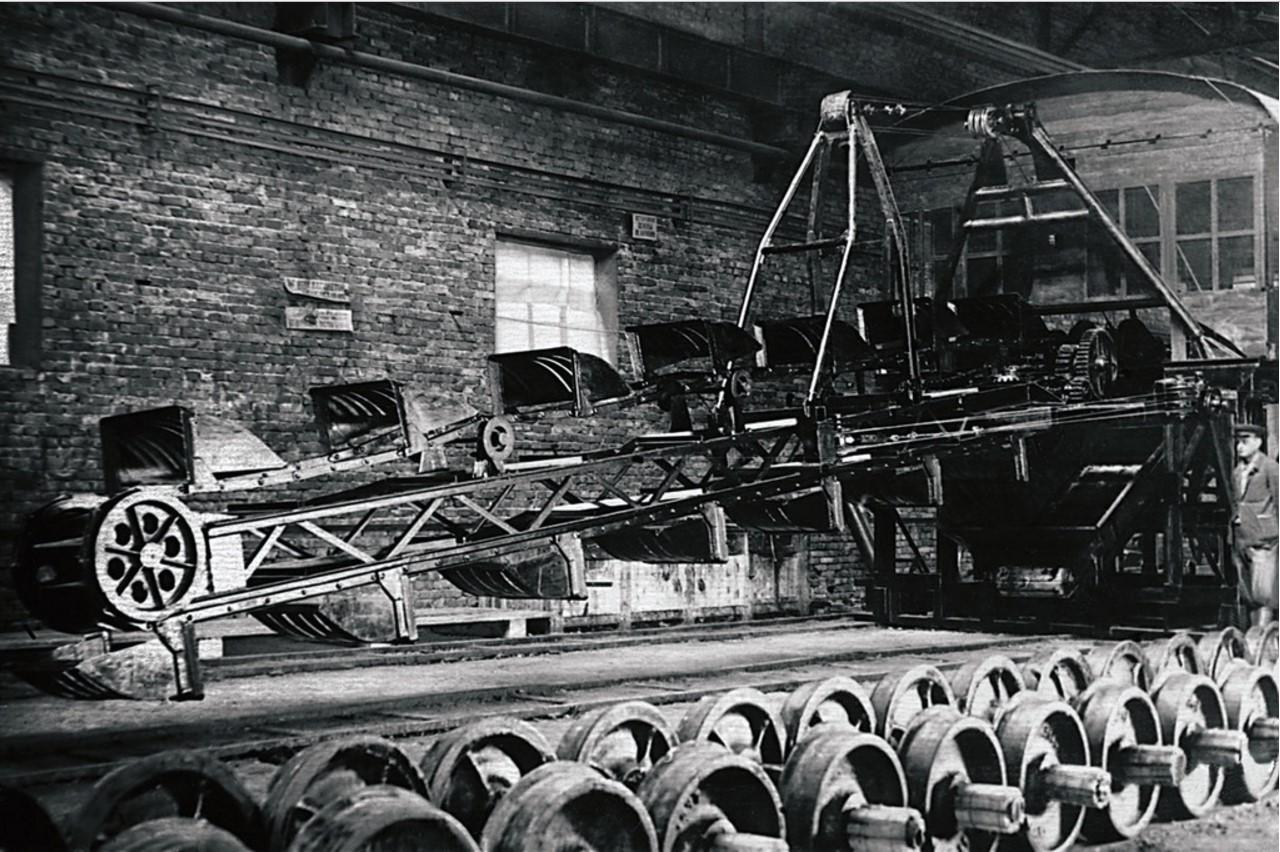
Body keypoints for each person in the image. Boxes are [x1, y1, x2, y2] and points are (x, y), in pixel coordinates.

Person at [1233, 422, 1279, 627]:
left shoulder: (1270, 468)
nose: (1239, 447)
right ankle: (1253, 635)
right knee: (1248, 595)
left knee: (1263, 594)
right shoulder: (1237, 471)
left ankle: (1263, 636)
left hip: (1264, 540)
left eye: (1245, 441)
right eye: (1238, 442)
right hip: (1241, 539)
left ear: (1258, 442)